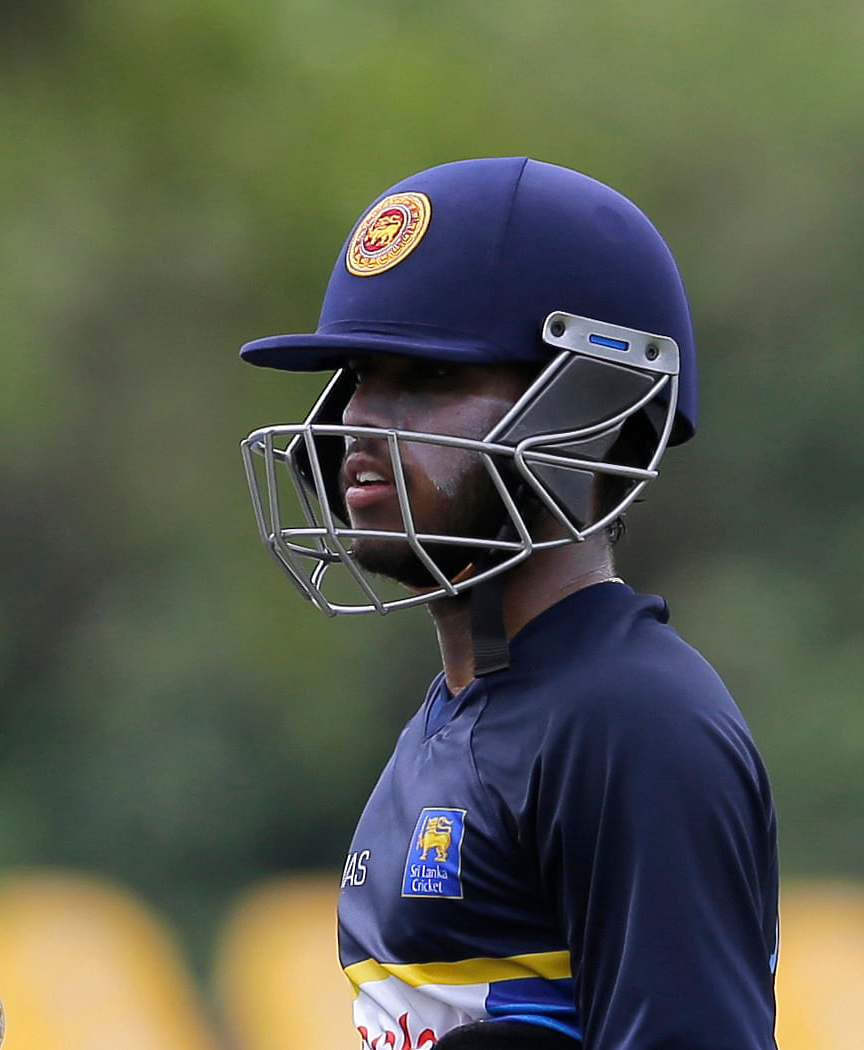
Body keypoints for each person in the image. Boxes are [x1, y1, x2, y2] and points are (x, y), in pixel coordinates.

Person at [236, 157, 776, 1048]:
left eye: (427, 379)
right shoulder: (463, 710)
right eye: (358, 377)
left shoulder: (631, 722)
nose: (360, 422)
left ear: (587, 415)